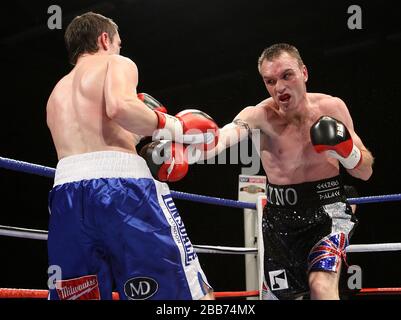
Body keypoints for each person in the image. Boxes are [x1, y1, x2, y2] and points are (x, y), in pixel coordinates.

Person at [46, 12, 216, 300]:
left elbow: (95, 136)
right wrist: (177, 127)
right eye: (118, 43)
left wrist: (139, 133)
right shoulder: (116, 62)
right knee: (177, 294)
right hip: (124, 191)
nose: (119, 50)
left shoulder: (56, 93)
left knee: (79, 294)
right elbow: (119, 107)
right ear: (104, 39)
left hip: (66, 196)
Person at [202, 43, 374, 299]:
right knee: (284, 296)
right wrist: (187, 145)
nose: (279, 87)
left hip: (329, 210)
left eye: (286, 75)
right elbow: (222, 138)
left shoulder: (333, 108)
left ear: (303, 73)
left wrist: (347, 151)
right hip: (280, 219)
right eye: (270, 81)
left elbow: (365, 172)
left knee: (321, 285)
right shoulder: (259, 116)